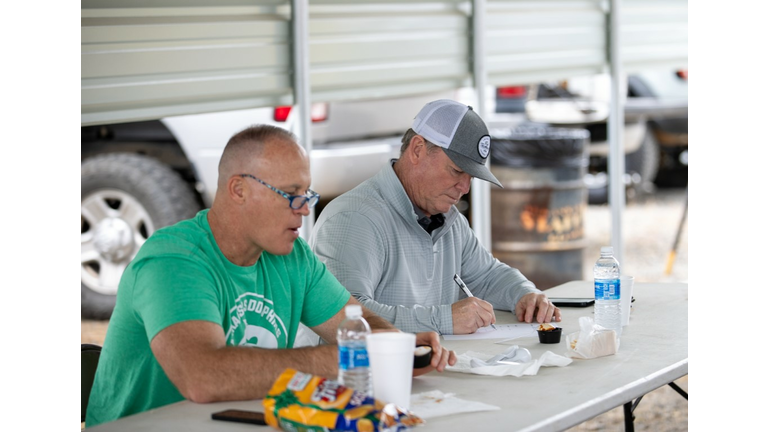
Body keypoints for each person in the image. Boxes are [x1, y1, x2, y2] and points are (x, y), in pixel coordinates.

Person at [86, 125, 456, 427]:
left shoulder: (291, 257)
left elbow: (360, 323)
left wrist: (390, 345)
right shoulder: (174, 260)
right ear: (239, 190)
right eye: (291, 195)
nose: (305, 210)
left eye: (307, 195)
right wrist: (347, 357)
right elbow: (204, 378)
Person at [310, 99, 561, 335]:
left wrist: (526, 294)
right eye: (456, 171)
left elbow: (487, 276)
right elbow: (345, 319)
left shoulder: (449, 220)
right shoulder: (354, 219)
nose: (465, 188)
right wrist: (444, 320)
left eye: (471, 177)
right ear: (418, 149)